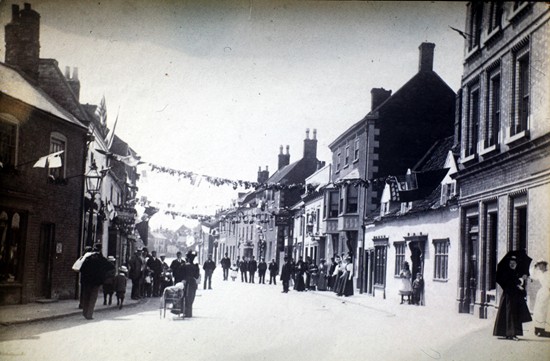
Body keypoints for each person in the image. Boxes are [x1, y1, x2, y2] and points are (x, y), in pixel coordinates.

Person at [493, 255, 532, 340]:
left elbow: (515, 281)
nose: (512, 264)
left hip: (514, 296)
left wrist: (520, 280)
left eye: (514, 263)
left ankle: (508, 333)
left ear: (516, 264)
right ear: (509, 264)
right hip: (508, 295)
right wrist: (519, 283)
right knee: (510, 313)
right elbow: (510, 283)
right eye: (511, 263)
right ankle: (511, 334)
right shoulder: (507, 272)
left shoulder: (515, 272)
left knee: (513, 313)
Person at [80, 243, 112, 320]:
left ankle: (85, 312)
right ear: (100, 249)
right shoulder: (101, 259)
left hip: (86, 281)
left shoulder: (87, 258)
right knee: (92, 298)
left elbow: (81, 269)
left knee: (86, 297)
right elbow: (111, 266)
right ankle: (89, 314)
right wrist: (103, 275)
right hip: (96, 282)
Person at [531, 260, 550, 337]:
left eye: (541, 265)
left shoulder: (549, 273)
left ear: (545, 265)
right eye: (539, 265)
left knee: (547, 311)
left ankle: (546, 329)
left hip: (548, 292)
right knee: (539, 311)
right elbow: (532, 275)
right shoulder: (539, 273)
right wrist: (534, 267)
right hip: (542, 293)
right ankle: (538, 328)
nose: (540, 267)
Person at [183, 250, 200, 318]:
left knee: (186, 297)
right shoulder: (195, 266)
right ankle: (189, 313)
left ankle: (186, 312)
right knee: (191, 298)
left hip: (185, 282)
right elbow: (197, 276)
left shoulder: (184, 265)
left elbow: (179, 274)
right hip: (193, 283)